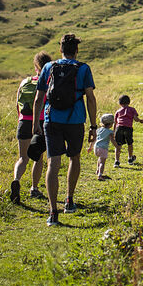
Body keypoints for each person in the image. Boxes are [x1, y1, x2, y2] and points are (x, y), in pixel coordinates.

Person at [32, 34, 97, 226]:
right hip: (76, 120)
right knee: (74, 158)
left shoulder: (48, 67)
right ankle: (69, 200)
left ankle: (53, 212)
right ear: (76, 50)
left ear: (60, 49)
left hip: (51, 120)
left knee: (53, 163)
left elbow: (38, 98)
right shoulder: (83, 68)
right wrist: (93, 126)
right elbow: (90, 98)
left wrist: (36, 123)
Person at [10, 51, 52, 204]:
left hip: (23, 122)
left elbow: (18, 105)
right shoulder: (47, 83)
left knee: (22, 158)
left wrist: (22, 120)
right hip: (39, 123)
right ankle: (34, 188)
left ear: (36, 66)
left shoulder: (24, 82)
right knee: (38, 157)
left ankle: (16, 179)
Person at [113, 94, 143, 167]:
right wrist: (140, 121)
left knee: (118, 145)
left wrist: (114, 132)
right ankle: (130, 159)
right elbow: (135, 119)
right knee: (130, 143)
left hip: (119, 128)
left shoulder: (118, 111)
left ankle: (117, 161)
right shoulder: (132, 109)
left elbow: (115, 122)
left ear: (119, 103)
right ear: (129, 102)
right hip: (128, 128)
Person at [90, 113, 117, 180]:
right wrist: (117, 146)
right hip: (103, 148)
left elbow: (94, 139)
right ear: (111, 124)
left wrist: (90, 147)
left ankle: (97, 170)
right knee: (102, 162)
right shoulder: (110, 132)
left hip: (96, 147)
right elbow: (112, 140)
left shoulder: (98, 130)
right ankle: (100, 175)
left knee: (99, 159)